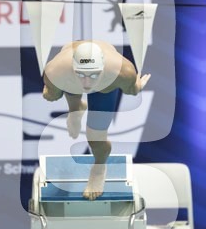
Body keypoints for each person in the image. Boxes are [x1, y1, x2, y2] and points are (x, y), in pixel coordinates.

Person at [42, 40, 151, 200]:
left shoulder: (121, 71)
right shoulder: (56, 71)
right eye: (81, 74)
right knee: (71, 88)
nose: (87, 82)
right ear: (73, 67)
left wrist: (136, 87)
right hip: (69, 78)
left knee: (96, 138)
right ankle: (76, 109)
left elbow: (132, 90)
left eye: (94, 75)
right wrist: (50, 93)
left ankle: (99, 168)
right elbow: (53, 95)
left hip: (105, 87)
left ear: (103, 68)